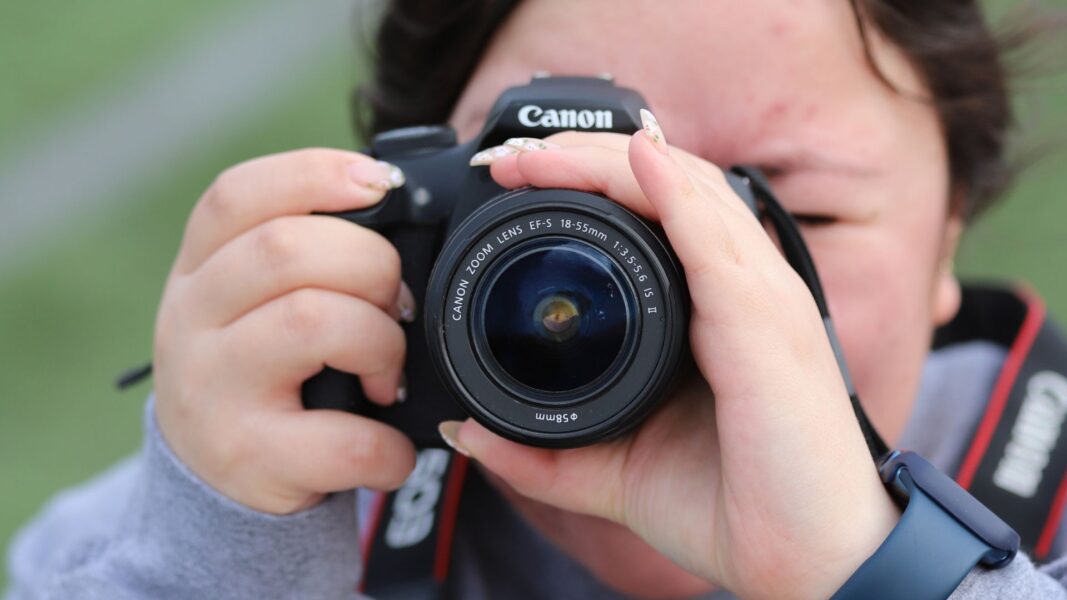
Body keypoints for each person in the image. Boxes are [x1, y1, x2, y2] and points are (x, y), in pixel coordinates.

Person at [6, 0, 1067, 598]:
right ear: (399, 217)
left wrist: (876, 573)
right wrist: (219, 563)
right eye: (549, 197)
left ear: (948, 236)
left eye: (781, 218)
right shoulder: (164, 543)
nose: (689, 288)